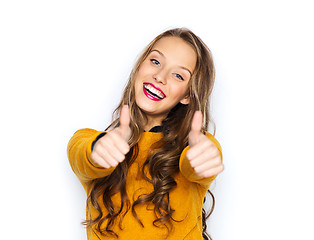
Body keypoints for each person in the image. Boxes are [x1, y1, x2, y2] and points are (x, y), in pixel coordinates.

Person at [67, 27, 224, 240]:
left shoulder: (197, 146)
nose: (160, 76)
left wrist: (202, 157)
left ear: (187, 94)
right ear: (139, 67)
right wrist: (97, 150)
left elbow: (199, 163)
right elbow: (81, 153)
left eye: (178, 75)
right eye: (155, 61)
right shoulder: (93, 141)